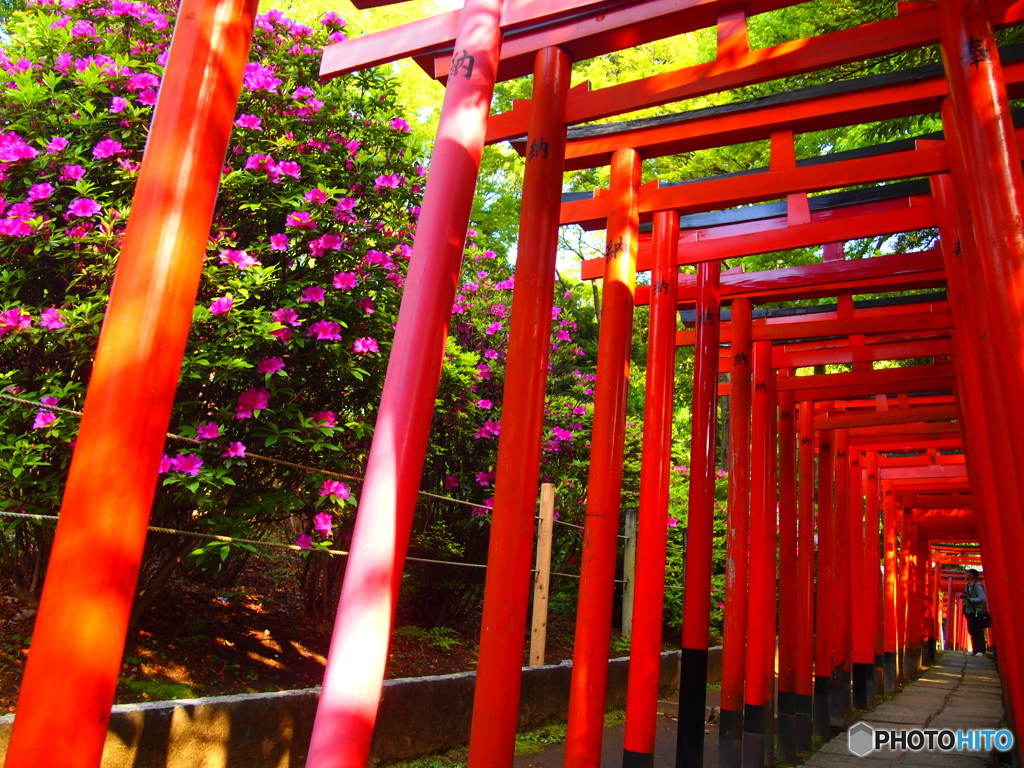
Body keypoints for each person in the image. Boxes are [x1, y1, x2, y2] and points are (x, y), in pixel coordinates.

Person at [961, 569, 988, 655]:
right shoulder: (968, 585)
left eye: (967, 573)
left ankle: (981, 650)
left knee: (978, 631)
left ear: (972, 575)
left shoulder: (978, 586)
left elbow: (982, 598)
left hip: (977, 611)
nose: (965, 575)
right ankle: (975, 650)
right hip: (969, 611)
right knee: (972, 630)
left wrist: (971, 599)